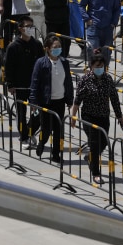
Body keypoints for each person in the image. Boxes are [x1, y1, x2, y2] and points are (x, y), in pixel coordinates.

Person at [70, 51, 123, 185]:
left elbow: (114, 99)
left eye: (102, 66)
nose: (100, 68)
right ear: (91, 67)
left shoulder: (108, 79)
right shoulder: (85, 80)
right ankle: (96, 173)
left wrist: (119, 116)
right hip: (89, 117)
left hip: (104, 116)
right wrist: (73, 116)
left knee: (104, 142)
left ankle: (91, 158)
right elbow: (77, 100)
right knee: (94, 144)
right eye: (97, 66)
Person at [30, 35, 73, 164]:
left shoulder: (64, 62)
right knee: (46, 129)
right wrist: (33, 101)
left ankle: (56, 154)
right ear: (48, 49)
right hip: (46, 101)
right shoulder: (41, 63)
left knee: (58, 130)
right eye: (55, 47)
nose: (58, 49)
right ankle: (42, 142)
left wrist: (70, 99)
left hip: (60, 101)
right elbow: (35, 83)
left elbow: (68, 82)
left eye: (59, 47)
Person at [5, 17, 44, 149]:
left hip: (35, 86)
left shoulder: (37, 45)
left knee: (38, 113)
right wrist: (10, 84)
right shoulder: (13, 46)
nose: (30, 29)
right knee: (21, 112)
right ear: (20, 28)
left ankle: (30, 131)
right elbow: (9, 66)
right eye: (27, 26)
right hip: (19, 85)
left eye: (31, 26)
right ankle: (24, 137)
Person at [79, 0, 121, 65]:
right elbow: (81, 5)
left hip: (108, 28)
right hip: (94, 27)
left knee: (106, 53)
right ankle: (92, 75)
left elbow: (117, 9)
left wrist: (114, 23)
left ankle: (104, 74)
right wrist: (87, 19)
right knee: (94, 52)